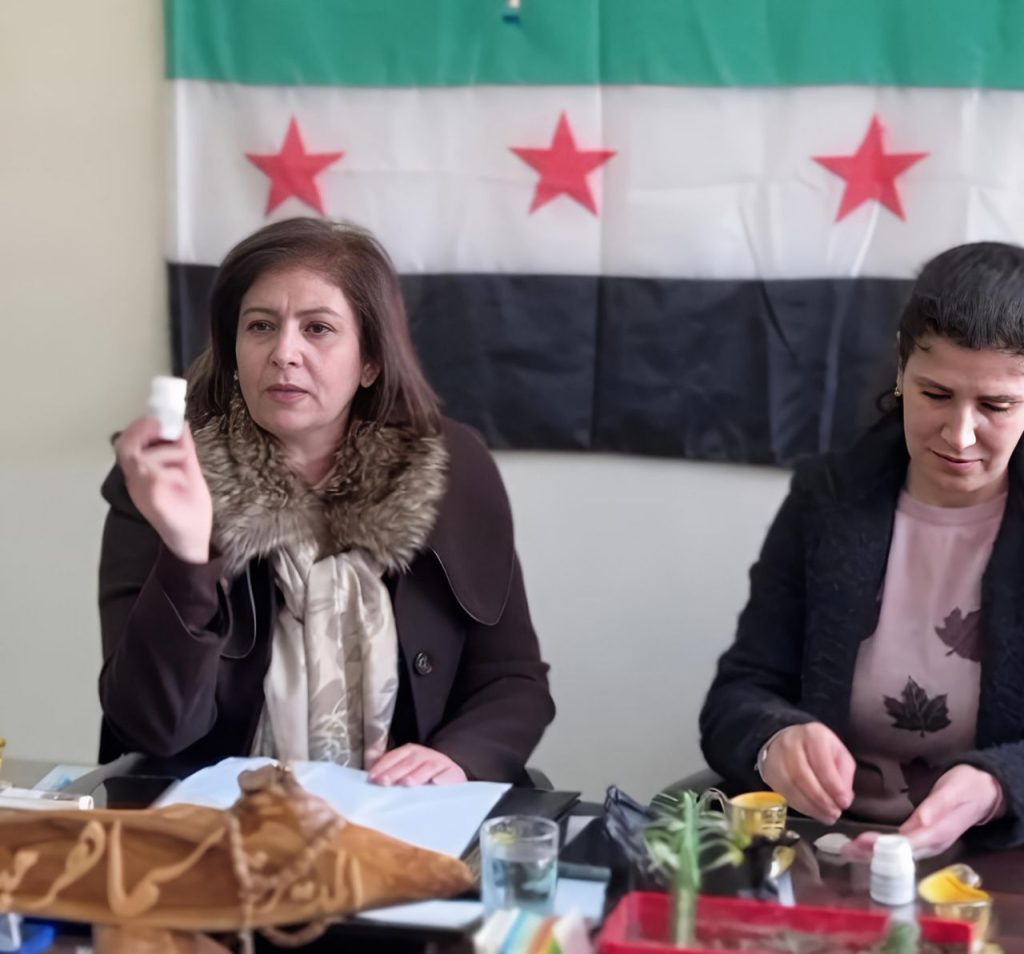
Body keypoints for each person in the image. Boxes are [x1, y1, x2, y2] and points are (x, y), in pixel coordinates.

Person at [98, 217, 554, 786]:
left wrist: (459, 757)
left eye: (317, 328)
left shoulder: (450, 466)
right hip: (221, 815)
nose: (284, 353)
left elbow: (513, 679)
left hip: (398, 808)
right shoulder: (167, 473)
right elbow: (151, 729)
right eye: (260, 326)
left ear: (370, 361)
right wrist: (188, 554)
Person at [700, 241, 1024, 855]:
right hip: (823, 846)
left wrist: (999, 786)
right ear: (901, 368)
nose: (960, 434)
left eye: (996, 405)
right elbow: (737, 694)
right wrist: (773, 739)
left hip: (992, 861)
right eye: (935, 394)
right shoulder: (826, 498)